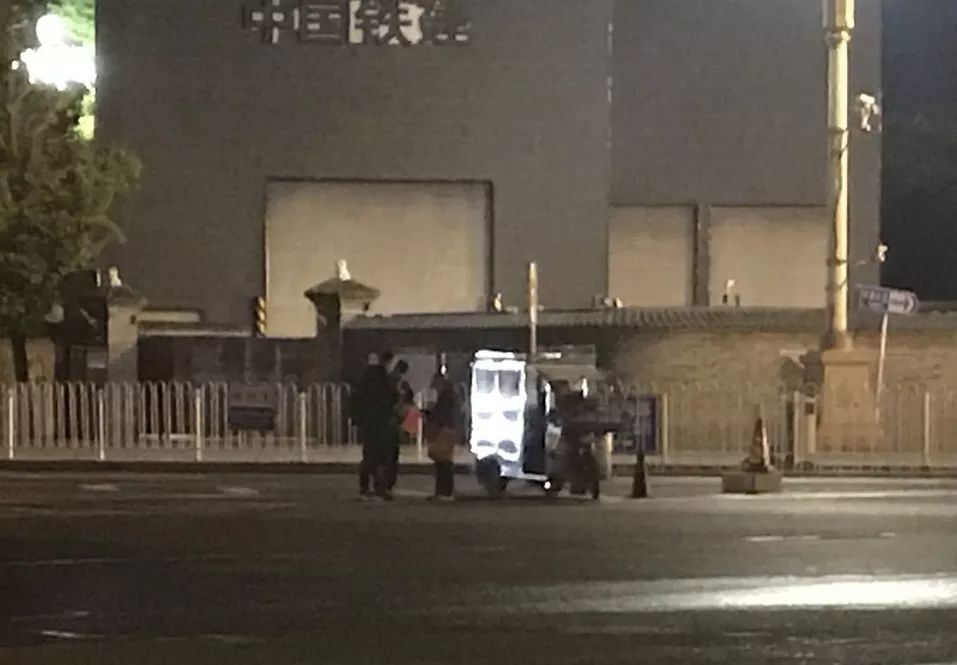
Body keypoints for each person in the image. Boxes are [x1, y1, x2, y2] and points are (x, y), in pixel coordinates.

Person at [354, 352, 398, 500]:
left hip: (368, 423)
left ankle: (365, 487)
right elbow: (392, 398)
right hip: (382, 422)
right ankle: (380, 487)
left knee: (369, 456)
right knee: (383, 457)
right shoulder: (384, 380)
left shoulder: (366, 379)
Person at [425, 372, 458, 501]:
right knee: (443, 461)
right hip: (447, 429)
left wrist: (429, 415)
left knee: (443, 462)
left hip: (444, 430)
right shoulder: (449, 396)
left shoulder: (445, 398)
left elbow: (439, 415)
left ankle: (444, 491)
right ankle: (443, 491)